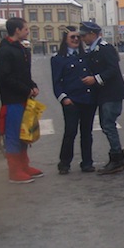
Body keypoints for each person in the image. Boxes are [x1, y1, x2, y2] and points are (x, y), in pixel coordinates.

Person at [0, 17, 43, 183]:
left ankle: (24, 165)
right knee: (13, 135)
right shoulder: (5, 51)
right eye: (25, 29)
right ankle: (14, 171)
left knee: (24, 134)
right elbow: (5, 78)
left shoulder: (21, 49)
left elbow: (24, 75)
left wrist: (32, 86)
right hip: (12, 100)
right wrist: (26, 89)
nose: (28, 31)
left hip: (24, 98)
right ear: (17, 30)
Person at [80, 21, 124, 175]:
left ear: (92, 34)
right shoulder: (92, 50)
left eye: (84, 35)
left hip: (112, 93)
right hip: (104, 94)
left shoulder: (105, 48)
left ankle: (117, 158)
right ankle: (118, 158)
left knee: (108, 125)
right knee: (106, 125)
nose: (82, 38)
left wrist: (96, 79)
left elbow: (113, 69)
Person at [51, 26, 97, 174]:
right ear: (65, 39)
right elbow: (56, 82)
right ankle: (64, 163)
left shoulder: (87, 56)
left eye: (78, 37)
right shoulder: (58, 59)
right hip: (71, 101)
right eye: (72, 37)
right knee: (70, 132)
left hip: (88, 99)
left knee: (87, 132)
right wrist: (63, 98)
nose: (76, 39)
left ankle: (87, 162)